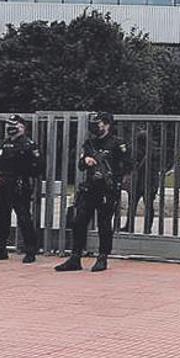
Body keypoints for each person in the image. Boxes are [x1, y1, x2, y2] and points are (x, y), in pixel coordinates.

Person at [56, 112, 131, 272]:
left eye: (99, 123)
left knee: (104, 224)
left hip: (108, 189)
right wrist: (86, 160)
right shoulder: (90, 143)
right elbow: (80, 165)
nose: (96, 126)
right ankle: (75, 257)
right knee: (79, 221)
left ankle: (102, 257)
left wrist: (115, 177)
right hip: (91, 187)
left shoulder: (118, 143)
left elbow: (128, 165)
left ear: (107, 124)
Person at [0, 115, 42, 263]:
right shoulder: (4, 143)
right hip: (2, 184)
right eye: (9, 125)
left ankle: (30, 251)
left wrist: (23, 177)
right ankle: (1, 249)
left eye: (14, 125)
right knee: (1, 217)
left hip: (19, 185)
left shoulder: (28, 144)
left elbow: (36, 166)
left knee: (24, 218)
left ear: (22, 127)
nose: (10, 128)